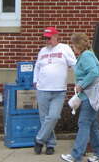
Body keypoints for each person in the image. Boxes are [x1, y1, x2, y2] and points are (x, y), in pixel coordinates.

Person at [61, 32, 99, 162]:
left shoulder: (86, 56)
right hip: (96, 93)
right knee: (93, 126)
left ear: (78, 45)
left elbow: (93, 72)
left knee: (84, 123)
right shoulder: (88, 54)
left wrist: (81, 84)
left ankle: (76, 155)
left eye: (73, 45)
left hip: (92, 94)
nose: (73, 48)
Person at [33, 26, 76, 154]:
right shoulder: (42, 51)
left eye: (49, 38)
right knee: (44, 118)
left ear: (56, 37)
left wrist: (81, 77)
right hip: (42, 89)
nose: (47, 41)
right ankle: (50, 144)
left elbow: (74, 64)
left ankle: (39, 140)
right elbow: (37, 67)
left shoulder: (64, 48)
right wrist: (35, 81)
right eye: (45, 38)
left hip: (59, 90)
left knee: (53, 116)